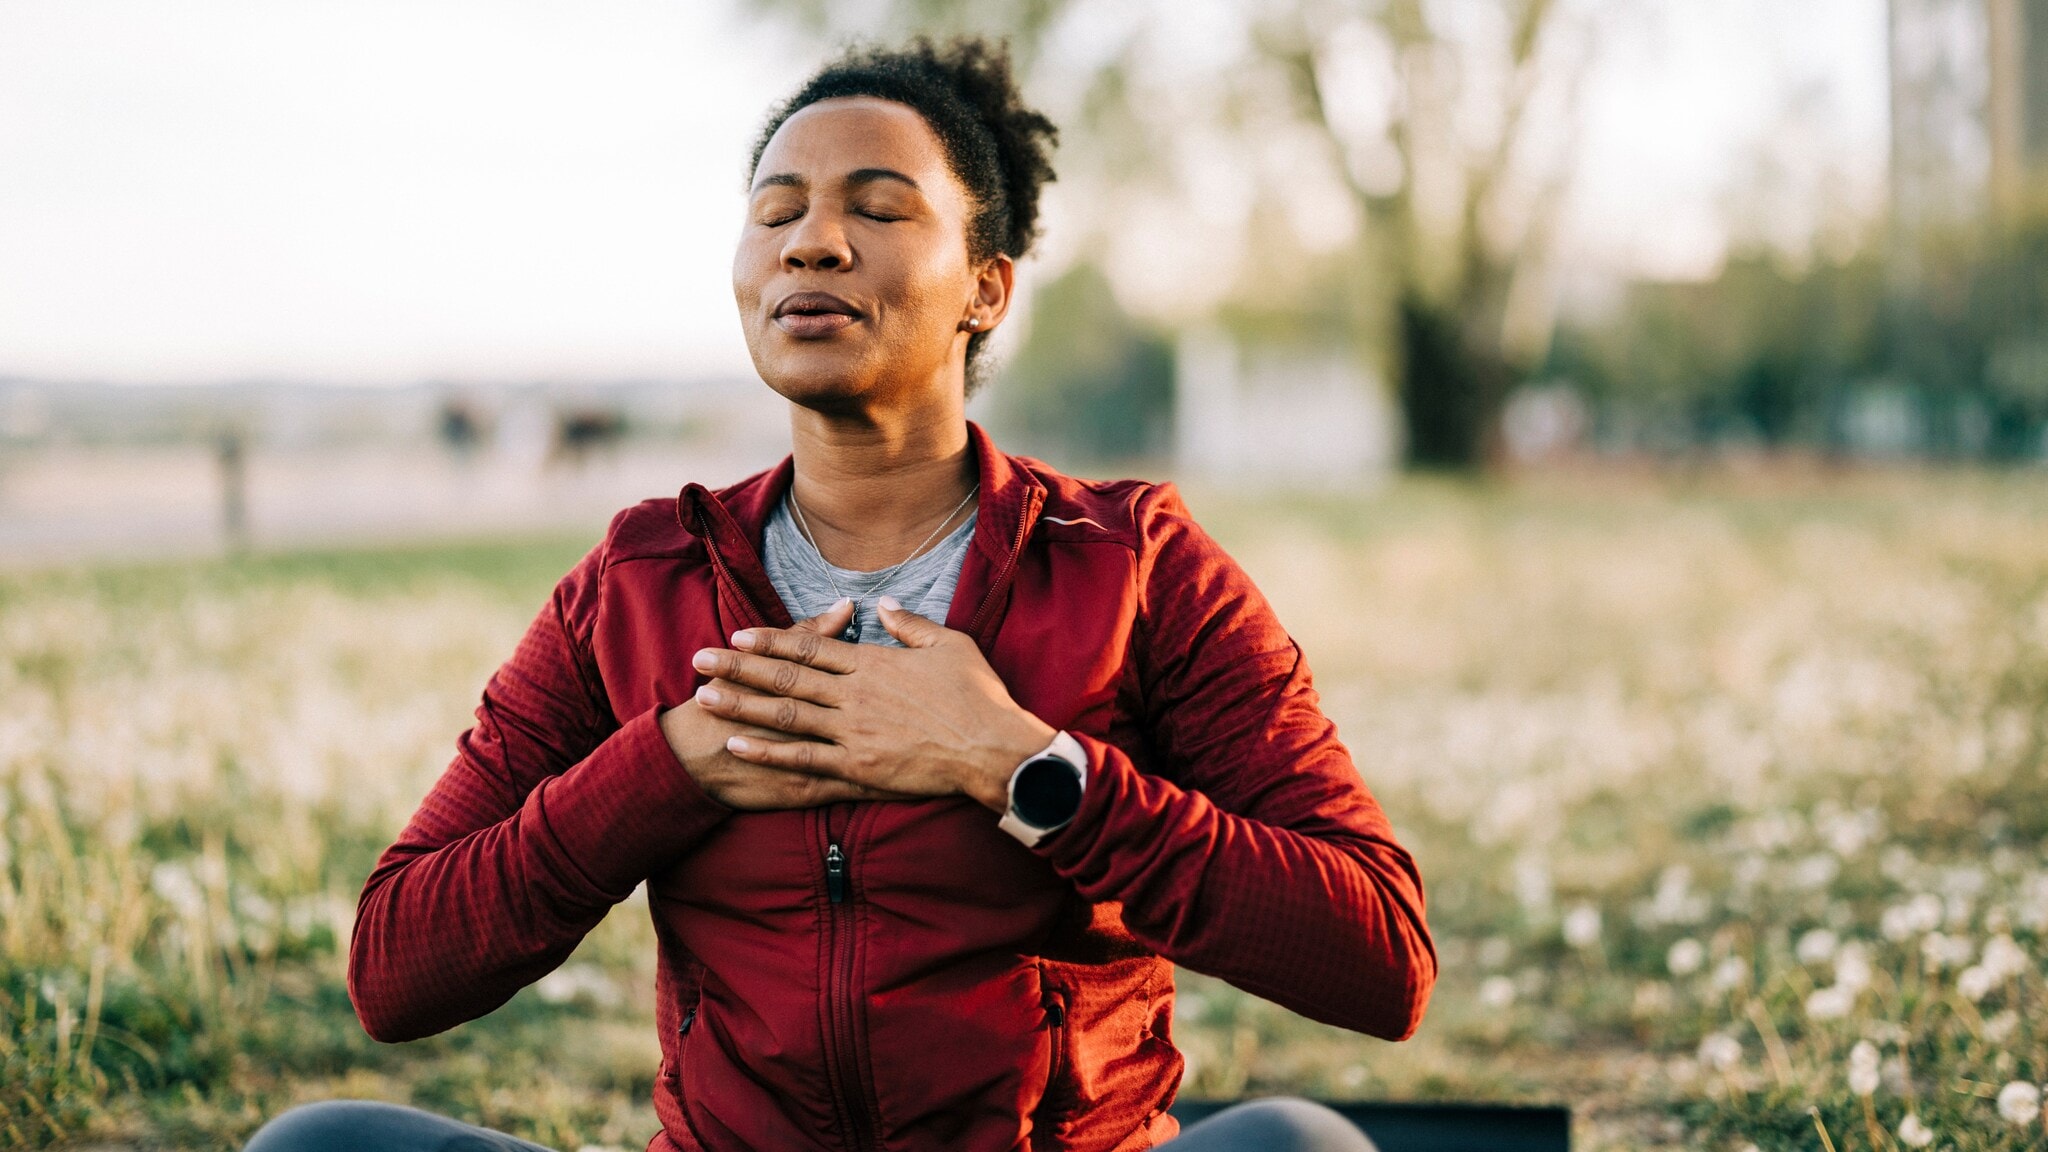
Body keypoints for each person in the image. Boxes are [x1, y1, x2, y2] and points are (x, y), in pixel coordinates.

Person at [246, 35, 1434, 1152]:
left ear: (985, 287)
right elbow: (395, 971)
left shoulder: (1135, 566)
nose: (809, 243)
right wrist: (664, 769)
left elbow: (1378, 955)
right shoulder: (636, 582)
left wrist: (1016, 766)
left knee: (1298, 1142)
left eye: (876, 209)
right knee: (319, 1144)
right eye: (776, 212)